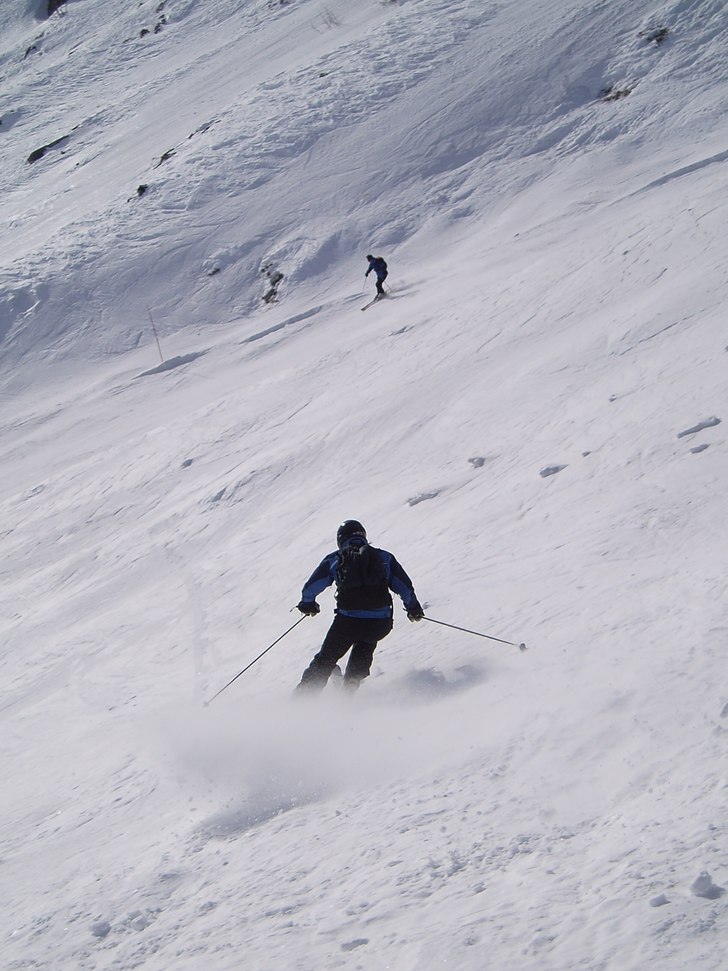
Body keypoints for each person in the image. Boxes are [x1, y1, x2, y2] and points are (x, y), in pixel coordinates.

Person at [295, 520, 424, 692]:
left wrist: (307, 604)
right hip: (380, 623)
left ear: (340, 539)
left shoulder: (336, 559)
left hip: (347, 623)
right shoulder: (384, 557)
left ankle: (303, 700)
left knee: (325, 660)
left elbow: (311, 587)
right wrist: (413, 609)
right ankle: (352, 682)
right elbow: (405, 587)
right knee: (366, 641)